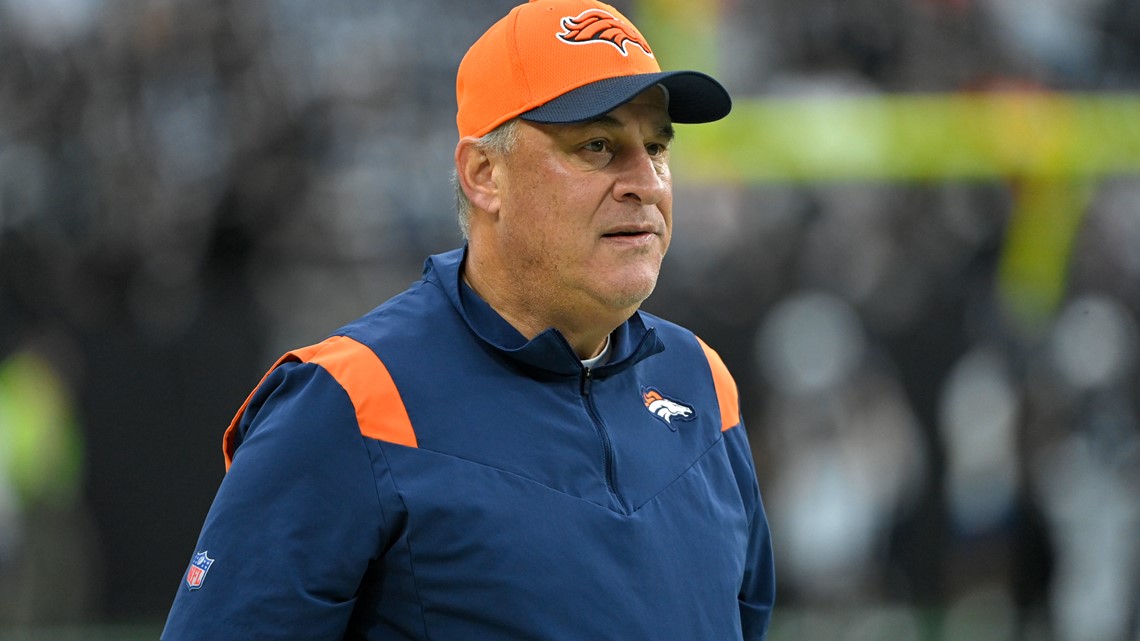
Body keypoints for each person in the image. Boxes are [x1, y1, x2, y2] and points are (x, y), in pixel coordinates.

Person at [162, 0, 775, 638]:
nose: (644, 182)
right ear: (484, 174)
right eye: (598, 145)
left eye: (656, 147)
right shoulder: (351, 400)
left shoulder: (703, 385)